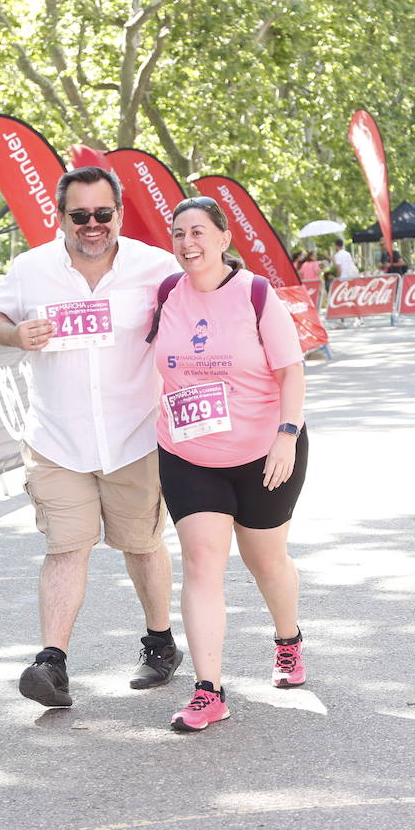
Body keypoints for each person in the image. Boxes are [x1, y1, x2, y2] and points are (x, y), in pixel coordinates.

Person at [0, 166, 183, 708]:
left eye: (103, 214)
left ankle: (160, 644)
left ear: (119, 213)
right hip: (56, 439)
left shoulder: (157, 267)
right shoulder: (31, 268)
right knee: (66, 548)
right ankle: (52, 663)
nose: (92, 225)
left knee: (141, 545)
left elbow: (201, 309)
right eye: (79, 216)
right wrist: (15, 334)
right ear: (60, 216)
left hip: (135, 436)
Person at [150, 197, 307, 732]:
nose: (187, 243)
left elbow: (291, 373)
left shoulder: (257, 295)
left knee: (266, 560)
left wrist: (286, 436)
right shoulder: (167, 294)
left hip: (263, 451)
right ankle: (208, 690)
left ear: (223, 238)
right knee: (202, 562)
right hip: (188, 452)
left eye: (198, 231)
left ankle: (287, 640)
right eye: (178, 234)